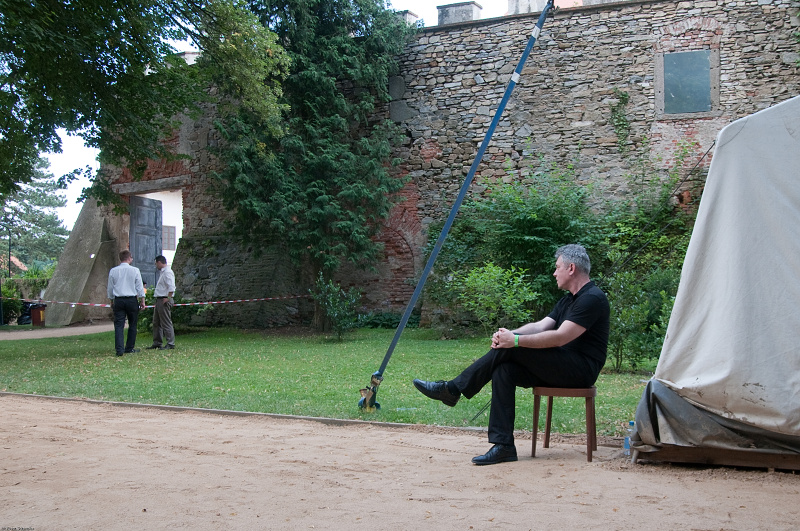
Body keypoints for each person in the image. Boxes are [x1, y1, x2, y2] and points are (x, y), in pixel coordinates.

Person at [413, 244, 610, 465]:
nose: (554, 272)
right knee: (503, 369)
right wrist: (508, 334)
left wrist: (514, 341)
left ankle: (452, 389)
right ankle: (503, 446)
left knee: (511, 348)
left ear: (571, 268)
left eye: (557, 267)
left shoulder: (592, 298)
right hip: (559, 365)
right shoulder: (568, 300)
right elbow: (539, 326)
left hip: (579, 370)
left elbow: (561, 337)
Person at [107, 249, 146, 356]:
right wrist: (142, 300)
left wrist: (111, 300)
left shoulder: (113, 271)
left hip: (119, 299)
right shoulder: (135, 270)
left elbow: (110, 288)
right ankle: (129, 348)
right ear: (129, 258)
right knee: (132, 324)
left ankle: (119, 349)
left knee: (119, 325)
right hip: (131, 299)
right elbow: (139, 287)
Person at [146, 255, 176, 350]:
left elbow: (171, 286)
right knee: (156, 322)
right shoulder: (163, 273)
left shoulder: (167, 272)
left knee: (166, 322)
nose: (156, 266)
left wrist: (168, 297)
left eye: (156, 263)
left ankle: (170, 343)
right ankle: (157, 342)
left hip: (164, 299)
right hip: (159, 299)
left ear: (159, 262)